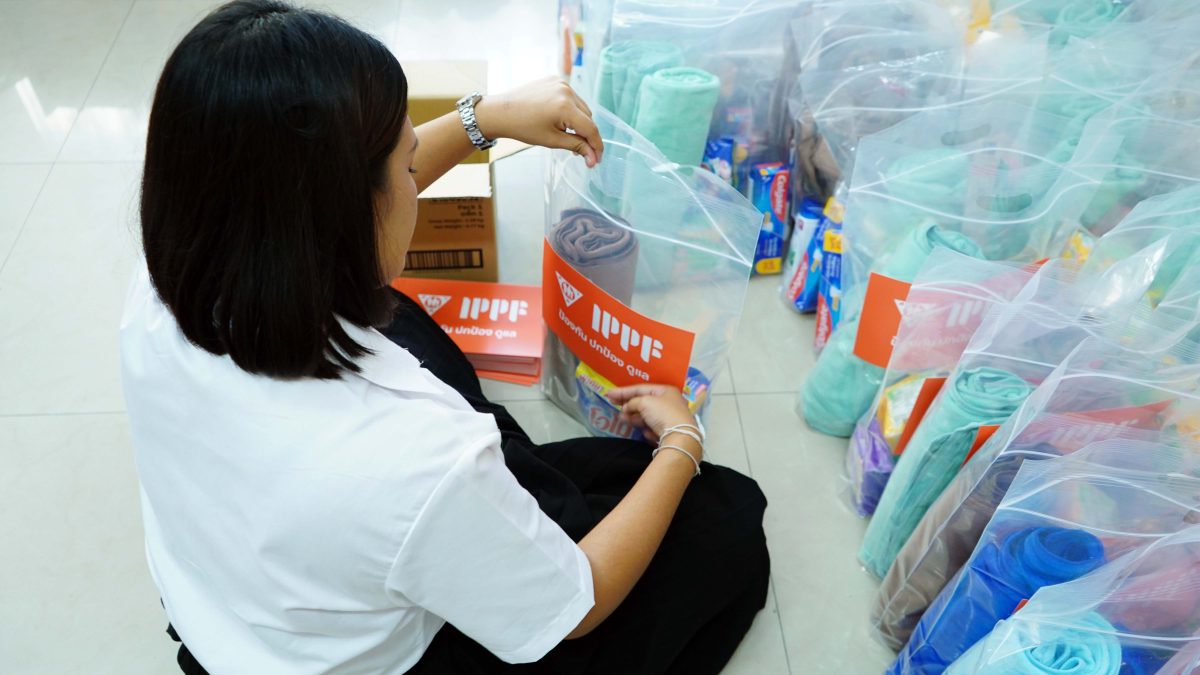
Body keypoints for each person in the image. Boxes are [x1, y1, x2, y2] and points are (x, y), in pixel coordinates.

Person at [120, 1, 770, 673]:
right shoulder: (414, 459)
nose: (415, 179)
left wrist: (484, 119)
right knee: (724, 521)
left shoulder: (166, 281)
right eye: (406, 167)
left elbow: (321, 190)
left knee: (405, 325)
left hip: (232, 604)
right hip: (365, 650)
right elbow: (579, 607)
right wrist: (681, 441)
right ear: (349, 207)